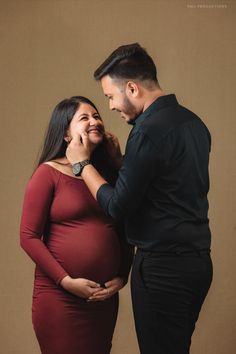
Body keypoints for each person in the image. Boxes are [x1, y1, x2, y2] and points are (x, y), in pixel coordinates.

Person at [66, 44, 213, 354]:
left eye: (109, 96)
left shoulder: (147, 130)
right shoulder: (193, 124)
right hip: (197, 265)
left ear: (131, 88)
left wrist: (82, 165)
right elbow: (167, 187)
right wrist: (123, 164)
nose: (110, 107)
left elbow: (118, 205)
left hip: (162, 270)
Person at [20, 95, 133, 354]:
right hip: (60, 298)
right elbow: (28, 236)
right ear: (66, 135)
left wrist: (122, 275)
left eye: (96, 116)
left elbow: (126, 229)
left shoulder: (107, 176)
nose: (94, 121)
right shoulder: (47, 173)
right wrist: (66, 281)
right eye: (84, 118)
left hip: (102, 300)